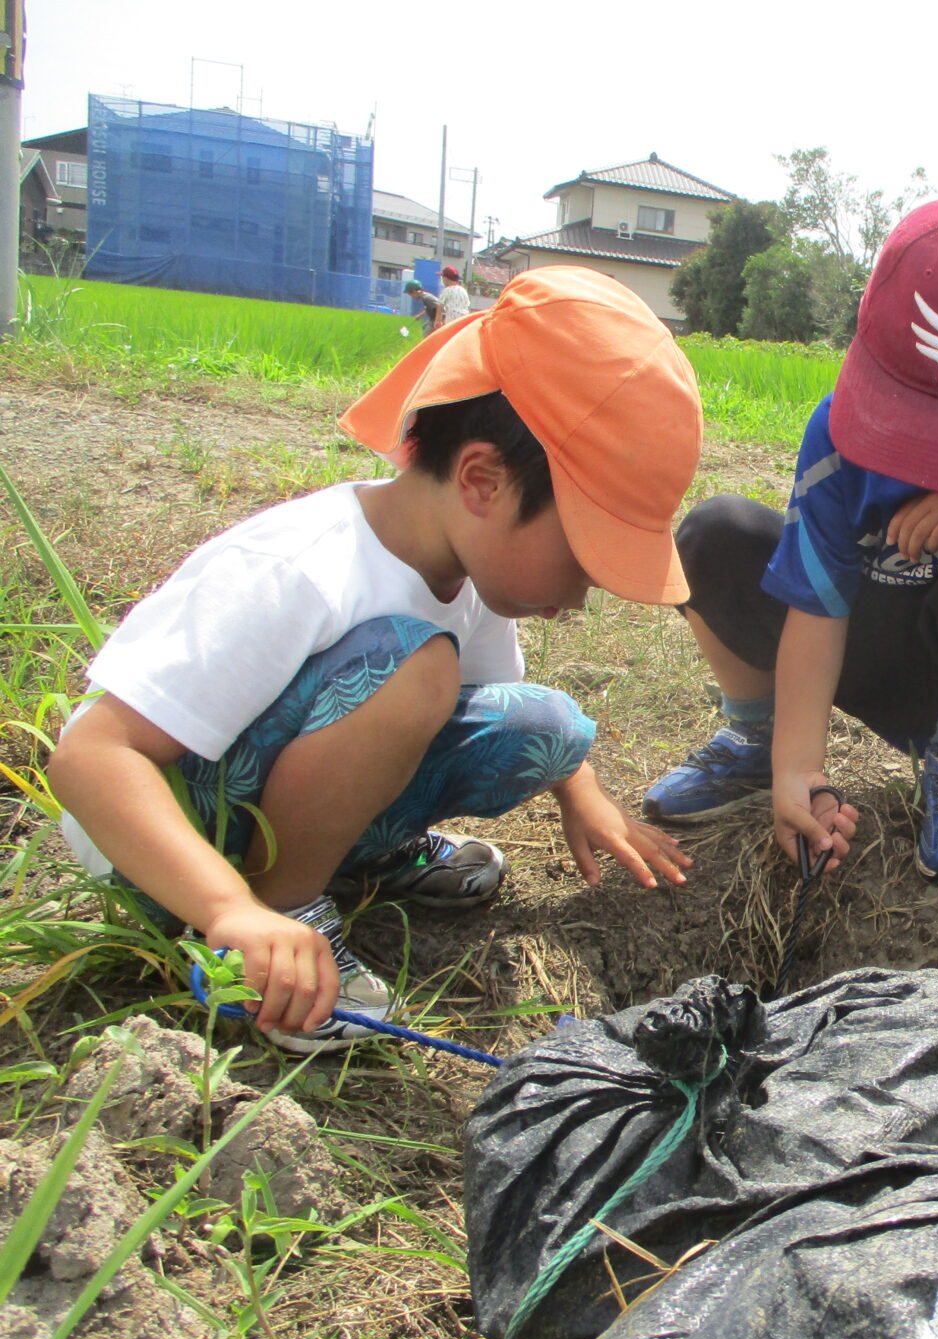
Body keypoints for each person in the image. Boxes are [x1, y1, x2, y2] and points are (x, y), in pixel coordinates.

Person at [48, 266, 703, 1054]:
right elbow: (91, 756)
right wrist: (229, 909)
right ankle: (280, 919)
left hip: (276, 805)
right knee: (417, 672)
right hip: (169, 844)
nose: (578, 596)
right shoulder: (299, 568)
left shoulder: (465, 575)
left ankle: (354, 862)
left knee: (548, 727)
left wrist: (581, 793)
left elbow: (486, 712)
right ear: (483, 482)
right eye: (581, 559)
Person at [642, 196, 938, 881]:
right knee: (715, 535)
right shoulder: (837, 428)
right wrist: (798, 772)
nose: (928, 457)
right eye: (907, 417)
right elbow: (816, 602)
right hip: (869, 651)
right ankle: (756, 734)